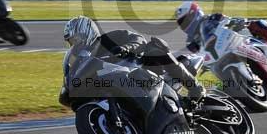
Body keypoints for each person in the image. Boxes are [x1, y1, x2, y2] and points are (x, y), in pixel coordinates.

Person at [59, 16, 204, 107]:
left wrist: (124, 48)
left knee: (155, 47)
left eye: (76, 39)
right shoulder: (85, 57)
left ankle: (195, 87)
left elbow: (138, 39)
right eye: (71, 42)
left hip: (145, 68)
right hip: (124, 84)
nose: (74, 44)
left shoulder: (109, 38)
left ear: (87, 32)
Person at [174, 1, 267, 64]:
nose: (185, 25)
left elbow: (228, 20)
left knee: (258, 24)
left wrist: (237, 22)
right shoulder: (191, 41)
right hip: (221, 60)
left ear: (194, 14)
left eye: (186, 20)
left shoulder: (212, 19)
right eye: (182, 22)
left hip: (241, 42)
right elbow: (194, 57)